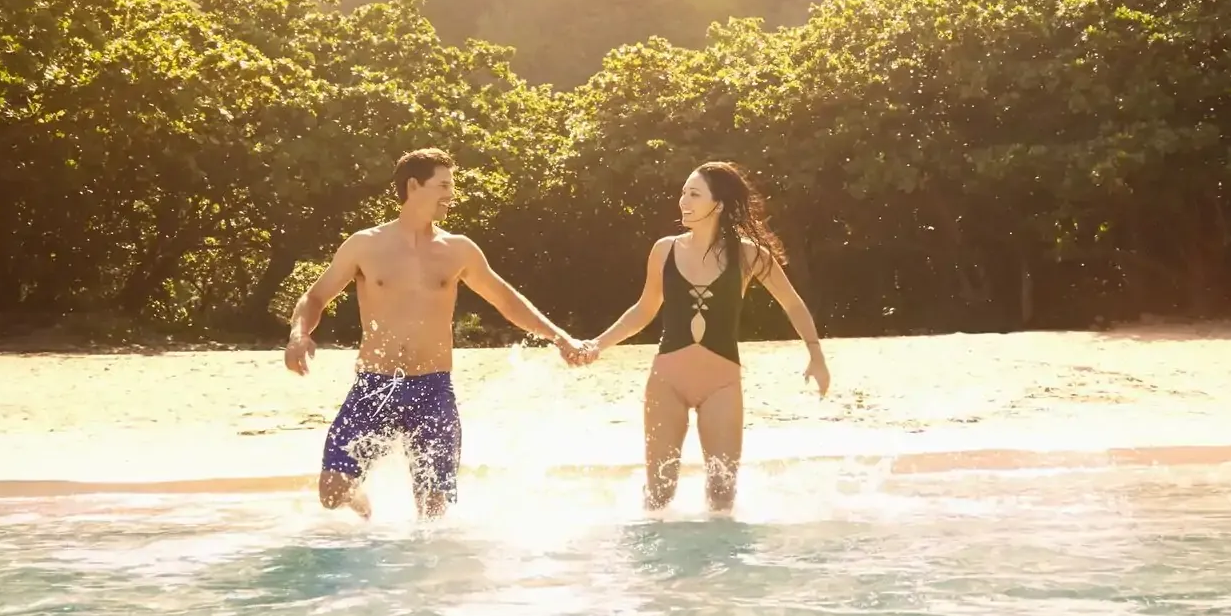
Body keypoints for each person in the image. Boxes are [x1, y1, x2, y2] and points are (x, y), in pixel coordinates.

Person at [285, 148, 583, 518]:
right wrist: (299, 334)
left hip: (434, 390)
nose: (452, 195)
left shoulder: (458, 250)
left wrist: (560, 338)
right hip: (375, 387)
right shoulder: (365, 245)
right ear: (413, 186)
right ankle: (363, 507)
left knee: (432, 512)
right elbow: (315, 296)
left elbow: (506, 300)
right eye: (443, 185)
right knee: (332, 492)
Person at [579, 160, 829, 513]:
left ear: (719, 204)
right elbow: (644, 309)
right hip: (667, 383)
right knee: (659, 494)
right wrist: (597, 344)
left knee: (722, 494)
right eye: (683, 192)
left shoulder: (749, 254)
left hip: (722, 385)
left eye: (694, 194)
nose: (683, 200)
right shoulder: (664, 250)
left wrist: (815, 354)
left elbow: (792, 303)